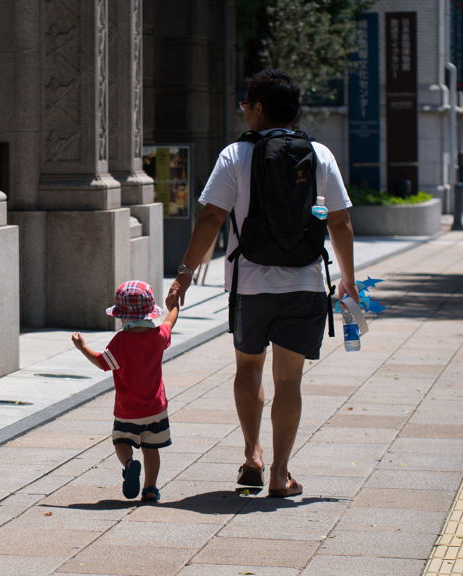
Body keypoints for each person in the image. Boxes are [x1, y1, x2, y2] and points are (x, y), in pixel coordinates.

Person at [165, 69, 357, 497]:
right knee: (290, 380)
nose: (244, 112)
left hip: (249, 283)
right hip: (305, 281)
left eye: (245, 105)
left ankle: (252, 455)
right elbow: (340, 221)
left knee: (248, 367)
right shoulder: (320, 154)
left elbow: (213, 216)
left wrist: (184, 272)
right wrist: (348, 278)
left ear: (257, 108)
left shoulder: (236, 155)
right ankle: (280, 474)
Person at [72, 280, 179, 502]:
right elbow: (170, 321)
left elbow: (102, 362)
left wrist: (82, 346)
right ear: (151, 312)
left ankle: (129, 464)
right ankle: (150, 488)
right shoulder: (158, 336)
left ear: (121, 316)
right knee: (151, 448)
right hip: (155, 408)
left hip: (127, 409)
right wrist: (174, 305)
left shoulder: (121, 341)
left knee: (121, 440)